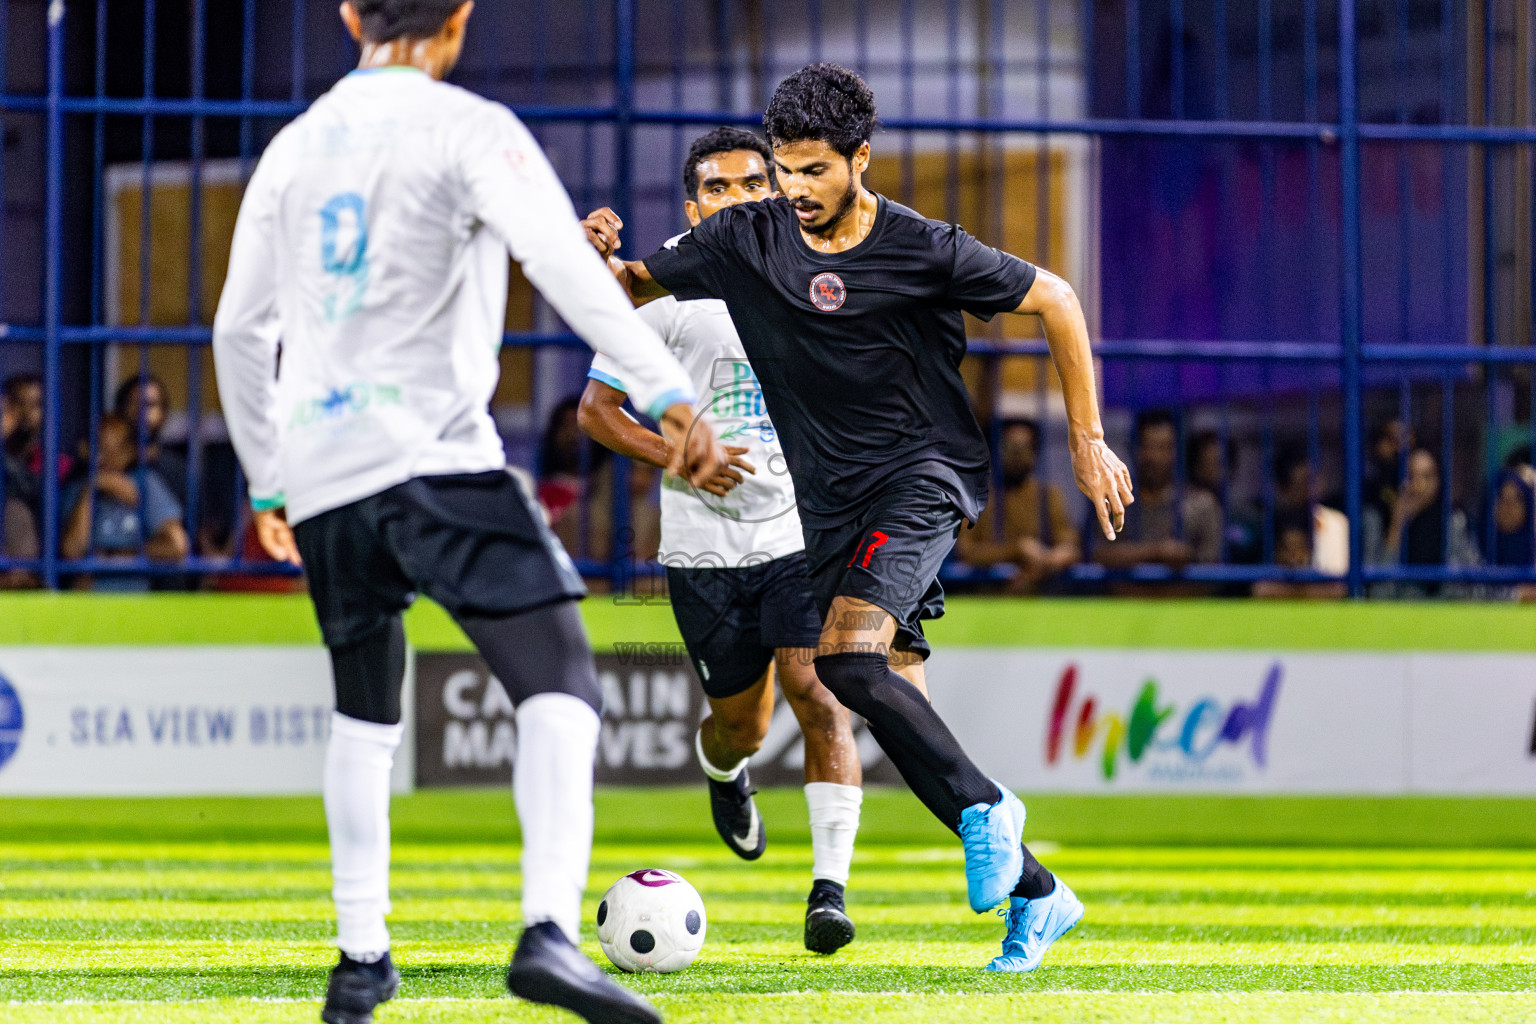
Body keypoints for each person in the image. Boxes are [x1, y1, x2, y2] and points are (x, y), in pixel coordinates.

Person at [211, 4, 718, 1023]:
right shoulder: (471, 128)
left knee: (364, 709)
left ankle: (361, 959)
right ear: (460, 18)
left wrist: (269, 478)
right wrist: (668, 390)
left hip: (322, 475)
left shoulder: (292, 148)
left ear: (352, 15)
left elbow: (237, 326)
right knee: (563, 683)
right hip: (437, 460)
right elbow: (564, 264)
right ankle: (546, 934)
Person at [582, 63, 1133, 973]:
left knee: (842, 660)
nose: (794, 191)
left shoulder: (920, 245)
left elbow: (1057, 301)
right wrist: (593, 250)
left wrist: (1086, 438)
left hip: (923, 476)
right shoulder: (744, 240)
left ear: (860, 159)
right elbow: (625, 290)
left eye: (812, 171)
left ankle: (992, 815)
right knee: (897, 704)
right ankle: (1038, 895)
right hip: (830, 504)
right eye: (784, 170)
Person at [578, 126, 864, 954]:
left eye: (753, 185)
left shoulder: (816, 275)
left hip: (801, 533)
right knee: (740, 724)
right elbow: (596, 414)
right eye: (720, 188)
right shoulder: (661, 292)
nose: (738, 199)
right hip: (703, 546)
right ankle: (725, 773)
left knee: (818, 694)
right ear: (693, 204)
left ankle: (828, 892)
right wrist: (685, 457)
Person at [59, 413, 189, 590]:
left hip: (134, 606)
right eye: (97, 448)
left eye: (113, 450)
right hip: (87, 607)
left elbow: (177, 547)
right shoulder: (77, 489)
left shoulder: (145, 484)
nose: (101, 458)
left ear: (130, 452)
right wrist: (90, 490)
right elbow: (72, 552)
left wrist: (116, 557)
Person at [955, 417, 1081, 592]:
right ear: (993, 451)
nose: (1017, 456)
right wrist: (1017, 550)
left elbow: (1069, 545)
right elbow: (965, 551)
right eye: (1009, 448)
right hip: (984, 595)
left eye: (1024, 449)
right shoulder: (973, 496)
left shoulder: (1048, 496)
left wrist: (1053, 558)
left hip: (1040, 595)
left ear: (1035, 453)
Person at [1363, 447, 1478, 597]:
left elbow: (1470, 586)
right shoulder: (1376, 520)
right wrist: (1396, 526)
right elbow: (1377, 595)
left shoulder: (1453, 522)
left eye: (1427, 477)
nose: (1418, 485)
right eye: (1410, 476)